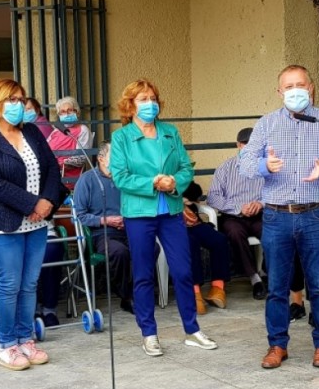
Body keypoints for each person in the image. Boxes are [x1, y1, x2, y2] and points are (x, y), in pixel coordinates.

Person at [239, 64, 319, 369]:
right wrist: (266, 166)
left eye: (299, 85)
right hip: (277, 217)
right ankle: (277, 345)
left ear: (311, 87)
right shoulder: (266, 124)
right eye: (288, 87)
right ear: (279, 92)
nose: (294, 91)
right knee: (277, 286)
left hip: (315, 215)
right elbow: (245, 164)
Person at [109, 78, 218, 356]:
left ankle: (192, 330)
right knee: (144, 275)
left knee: (183, 271)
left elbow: (185, 168)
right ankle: (149, 333)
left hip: (170, 211)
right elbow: (120, 177)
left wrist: (175, 183)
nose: (150, 104)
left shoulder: (170, 132)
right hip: (139, 214)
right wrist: (153, 183)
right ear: (130, 105)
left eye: (153, 98)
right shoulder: (121, 137)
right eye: (143, 99)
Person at [0, 79, 64, 371]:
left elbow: (51, 168)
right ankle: (7, 345)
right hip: (5, 224)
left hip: (37, 223)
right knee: (9, 284)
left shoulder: (33, 132)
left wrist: (47, 201)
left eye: (21, 99)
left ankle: (27, 339)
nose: (19, 105)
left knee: (29, 284)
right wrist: (31, 204)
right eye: (11, 99)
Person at [73, 140, 135, 314]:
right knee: (118, 251)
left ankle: (138, 291)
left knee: (151, 248)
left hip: (128, 229)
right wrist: (104, 220)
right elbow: (79, 215)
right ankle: (126, 296)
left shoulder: (126, 179)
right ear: (101, 158)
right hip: (102, 233)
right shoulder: (87, 180)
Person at [206, 127, 266, 300]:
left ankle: (272, 274)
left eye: (253, 144)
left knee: (272, 232)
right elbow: (213, 197)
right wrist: (239, 208)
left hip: (259, 214)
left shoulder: (265, 168)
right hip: (233, 216)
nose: (249, 147)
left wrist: (259, 203)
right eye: (245, 143)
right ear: (238, 145)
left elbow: (275, 193)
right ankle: (255, 279)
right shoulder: (225, 168)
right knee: (234, 233)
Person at [182, 181, 231, 314]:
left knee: (219, 240)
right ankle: (195, 291)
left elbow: (195, 189)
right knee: (190, 243)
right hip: (173, 226)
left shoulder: (179, 172)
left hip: (194, 223)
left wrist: (183, 195)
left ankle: (217, 287)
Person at [46, 96, 93, 187]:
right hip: (49, 174)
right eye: (62, 112)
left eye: (69, 110)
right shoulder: (56, 131)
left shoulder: (83, 130)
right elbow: (44, 149)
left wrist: (57, 165)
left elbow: (81, 158)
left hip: (65, 178)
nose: (66, 114)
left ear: (77, 112)